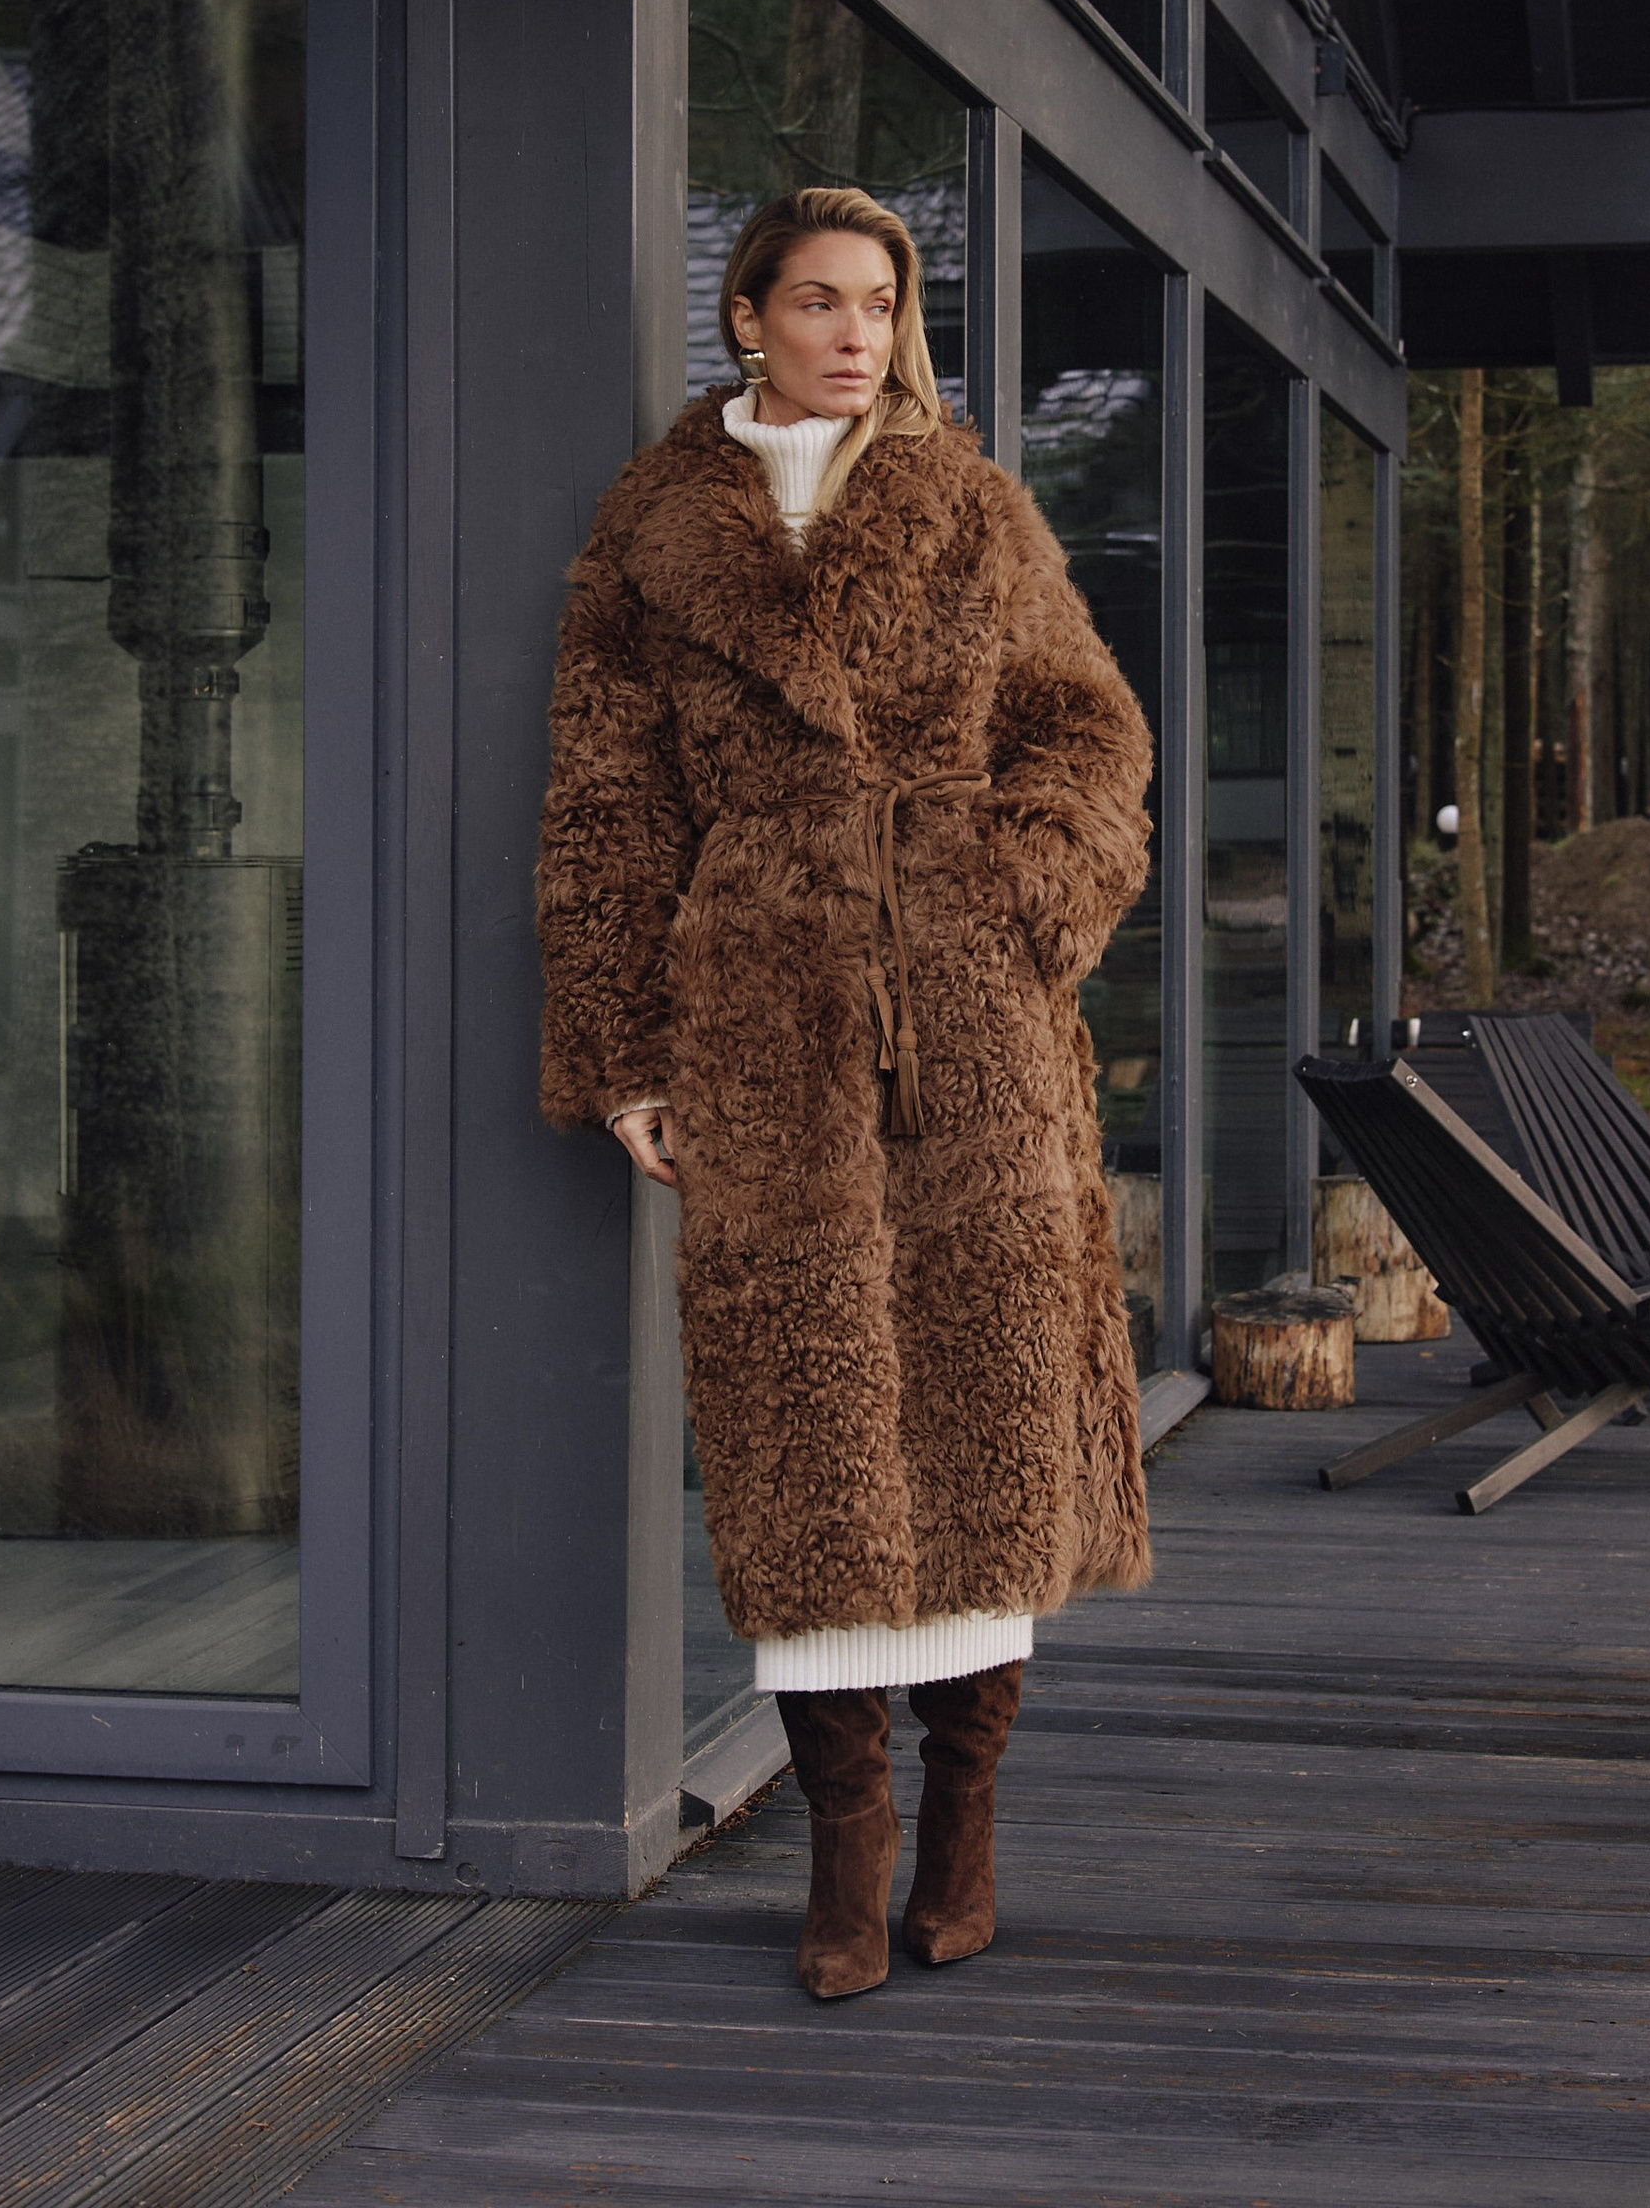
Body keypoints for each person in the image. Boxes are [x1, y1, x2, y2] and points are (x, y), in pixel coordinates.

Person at [537, 186, 1153, 2000]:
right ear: (747, 316)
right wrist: (626, 1053)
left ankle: (963, 1821)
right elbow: (606, 804)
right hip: (763, 1009)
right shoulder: (651, 530)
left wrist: (1018, 898)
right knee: (799, 1423)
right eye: (818, 301)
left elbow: (1090, 729)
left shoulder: (972, 504)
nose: (857, 334)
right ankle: (844, 1848)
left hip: (973, 1013)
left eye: (881, 303)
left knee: (984, 1399)